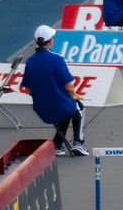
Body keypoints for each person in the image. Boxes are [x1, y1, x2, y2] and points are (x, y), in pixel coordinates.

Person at [20, 24, 88, 156]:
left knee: (66, 107)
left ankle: (57, 144)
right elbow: (69, 87)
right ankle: (79, 142)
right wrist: (75, 96)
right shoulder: (57, 59)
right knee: (78, 107)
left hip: (41, 109)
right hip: (59, 107)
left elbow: (28, 90)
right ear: (50, 40)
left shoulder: (30, 61)